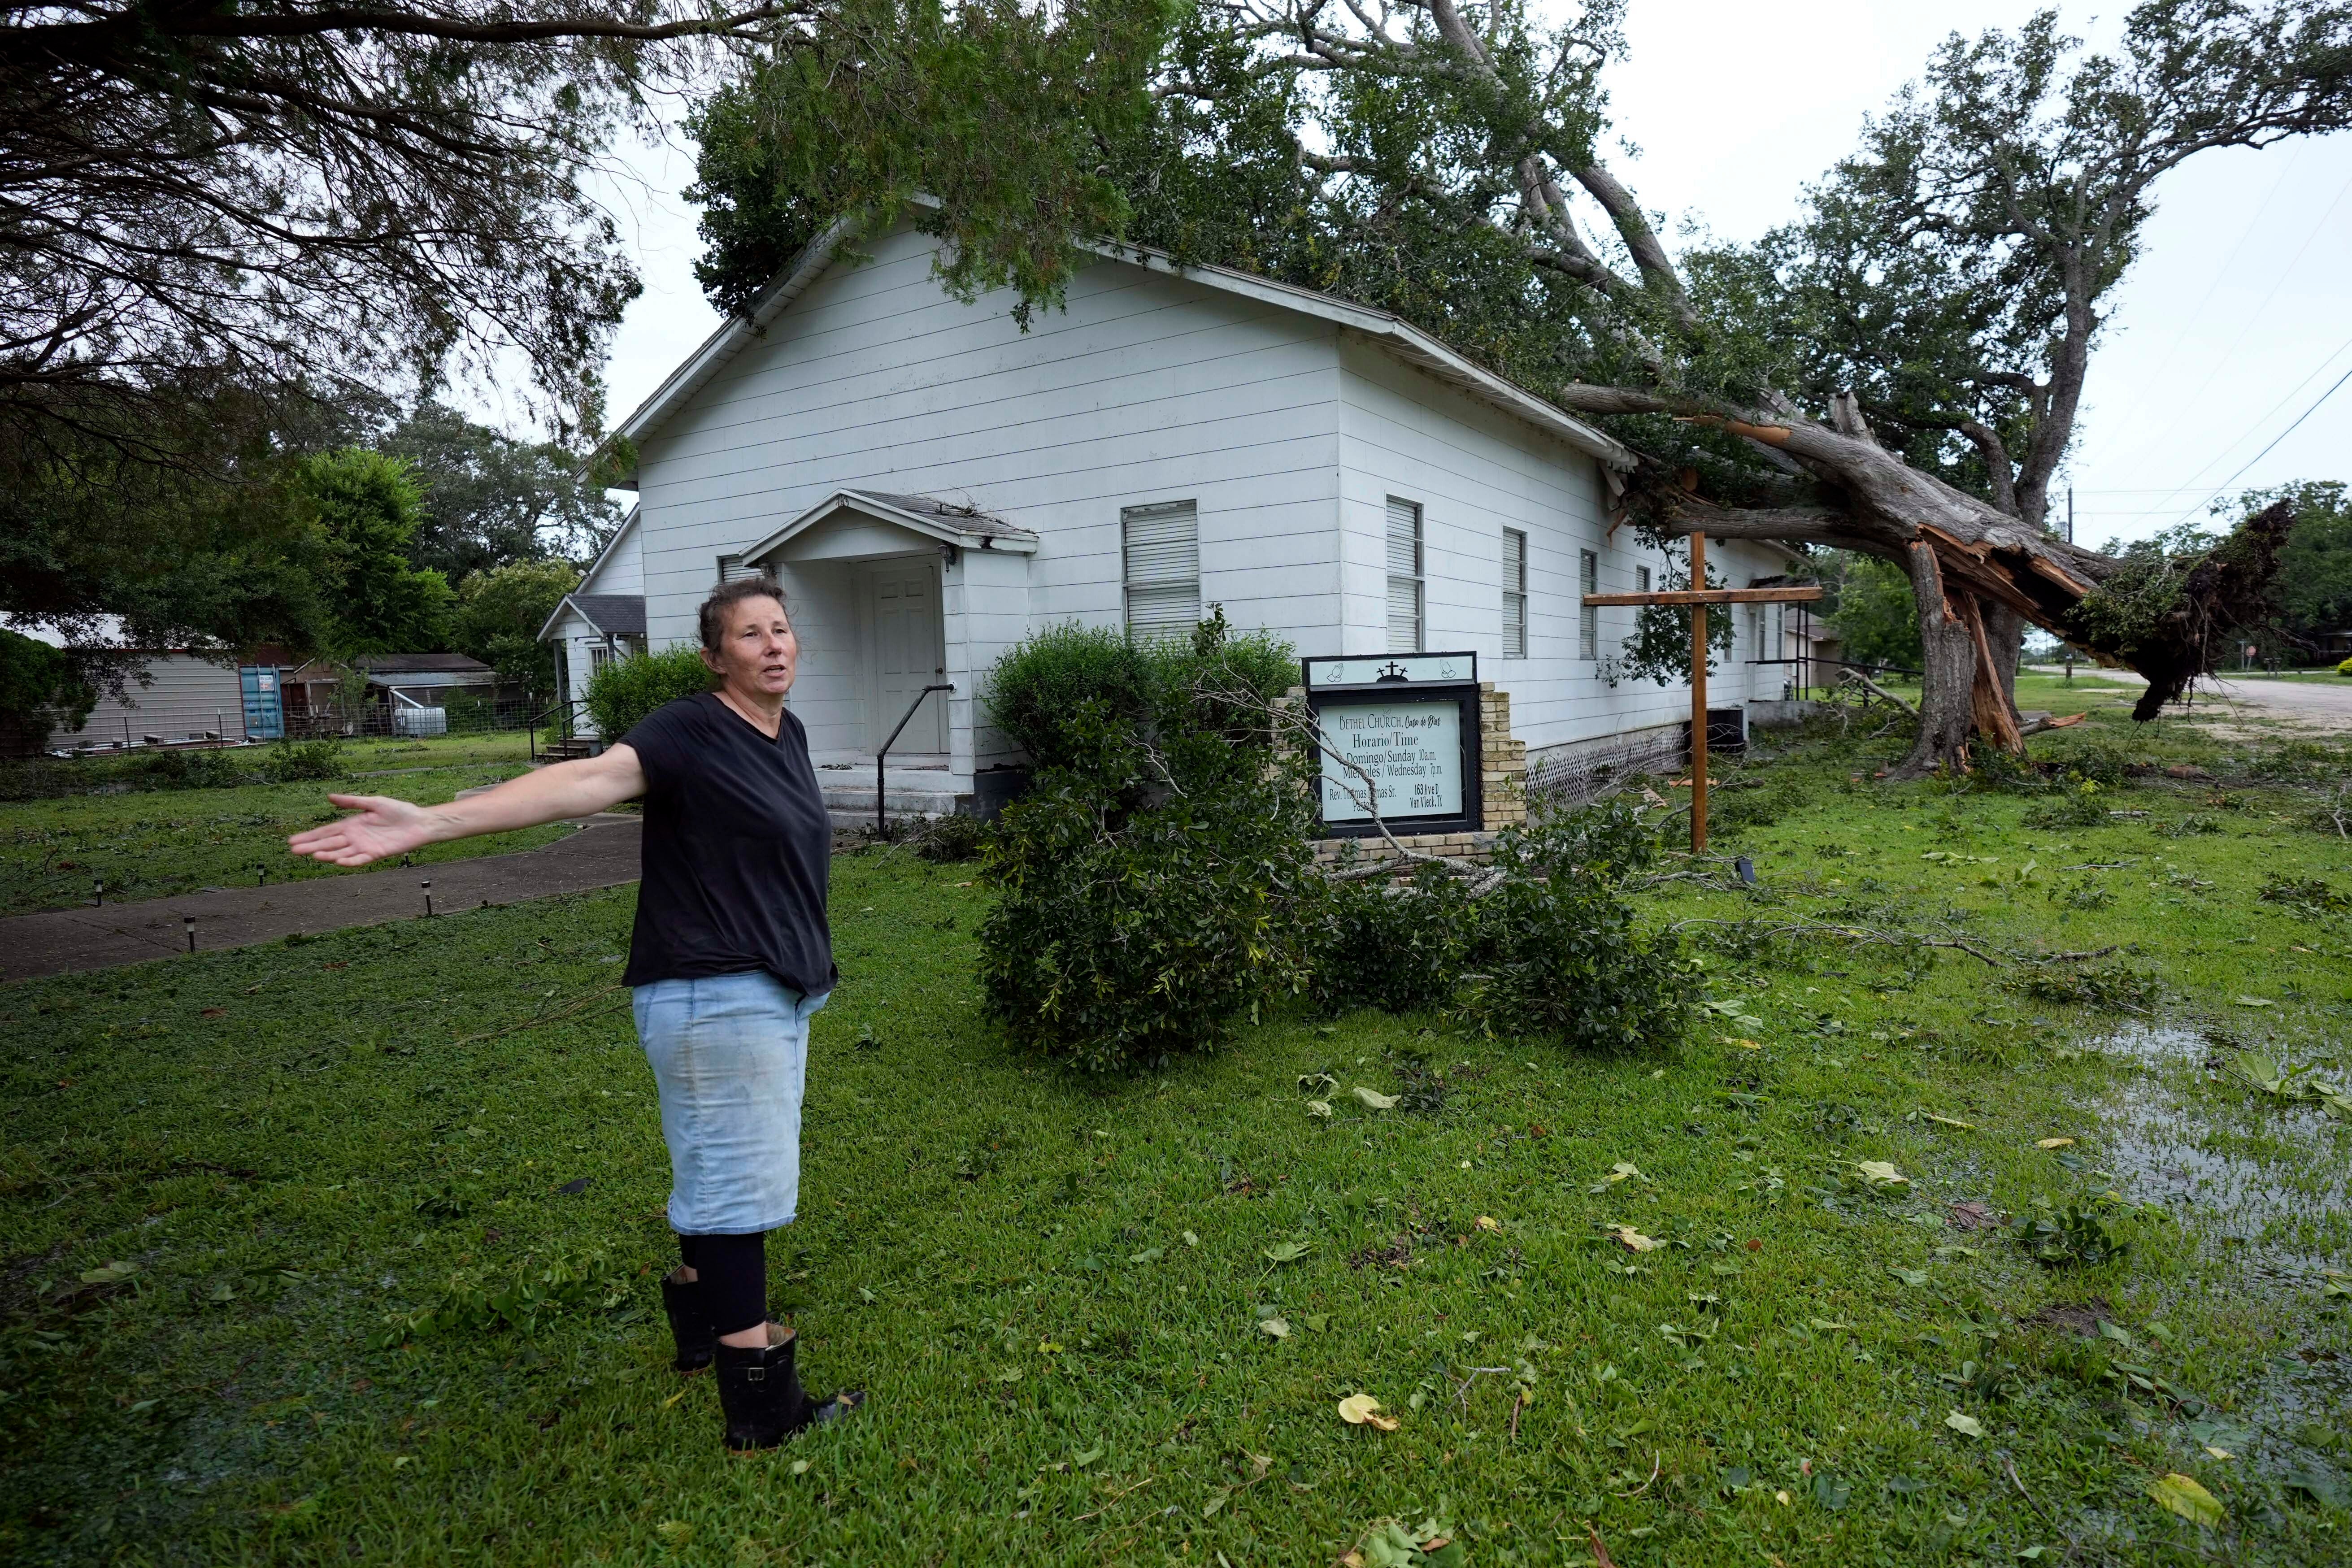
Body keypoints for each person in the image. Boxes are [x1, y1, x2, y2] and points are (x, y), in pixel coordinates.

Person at [287, 576, 861, 1450]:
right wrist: (434, 822)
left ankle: (701, 1334)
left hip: (765, 988)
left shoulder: (788, 736)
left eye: (781, 630)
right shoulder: (688, 728)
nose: (773, 646)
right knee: (738, 1192)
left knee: (713, 1165)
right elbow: (588, 780)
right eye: (750, 636)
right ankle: (764, 1409)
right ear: (715, 657)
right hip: (718, 992)